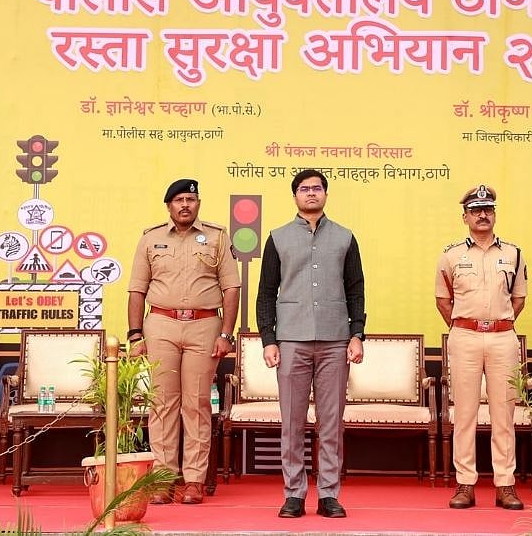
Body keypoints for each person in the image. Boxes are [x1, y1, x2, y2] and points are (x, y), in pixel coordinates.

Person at [257, 169, 365, 519]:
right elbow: (266, 293)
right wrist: (268, 339)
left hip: (335, 341)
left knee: (331, 423)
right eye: (304, 189)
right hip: (291, 341)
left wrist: (357, 333)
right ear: (295, 197)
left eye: (317, 188)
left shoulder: (345, 237)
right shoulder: (278, 237)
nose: (311, 194)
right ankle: (294, 494)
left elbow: (355, 289)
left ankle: (329, 494)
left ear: (326, 194)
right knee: (292, 422)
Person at [126, 178, 240, 505]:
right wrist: (136, 334)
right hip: (160, 323)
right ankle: (163, 478)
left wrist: (225, 334)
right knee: (162, 404)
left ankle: (193, 480)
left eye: (190, 199)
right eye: (179, 200)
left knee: (197, 403)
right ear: (169, 206)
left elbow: (231, 289)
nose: (185, 205)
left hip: (204, 325)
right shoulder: (150, 238)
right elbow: (137, 289)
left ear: (198, 203)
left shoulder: (216, 237)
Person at [434, 185, 526, 510]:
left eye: (487, 210)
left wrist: (496, 324)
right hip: (465, 337)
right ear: (465, 217)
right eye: (476, 211)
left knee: (504, 413)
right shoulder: (451, 255)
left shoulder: (513, 253)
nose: (482, 215)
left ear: (494, 214)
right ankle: (465, 484)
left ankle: (505, 484)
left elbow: (519, 298)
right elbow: (443, 300)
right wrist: (467, 325)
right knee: (465, 414)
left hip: (503, 337)